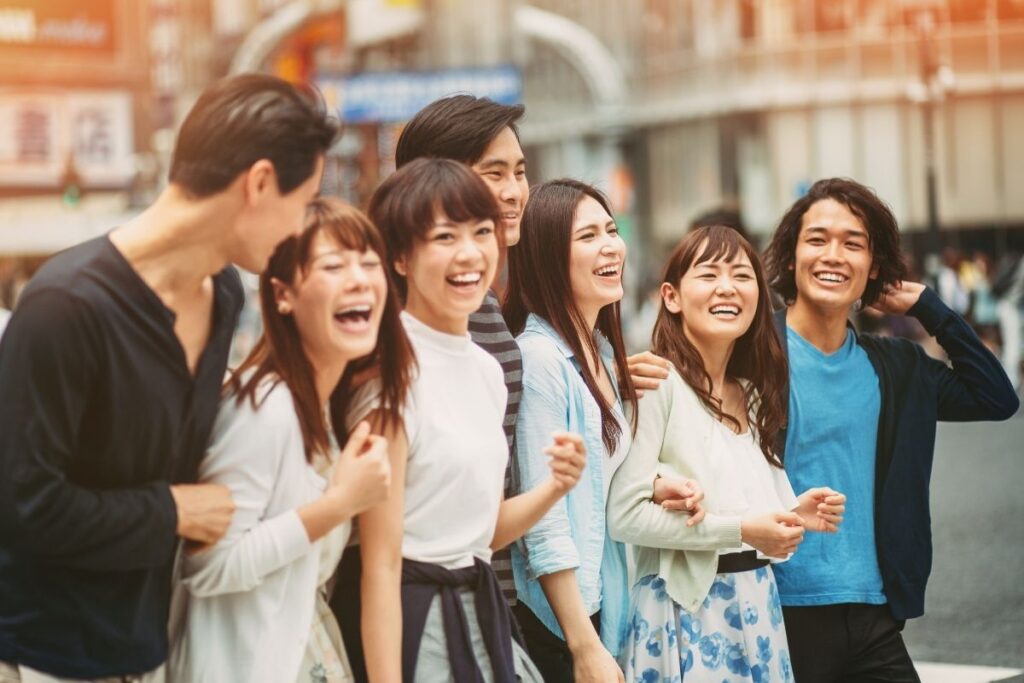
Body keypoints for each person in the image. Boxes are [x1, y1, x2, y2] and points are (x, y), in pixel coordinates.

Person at [0, 74, 338, 682]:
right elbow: (24, 505)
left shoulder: (227, 292)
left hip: (151, 646)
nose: (301, 226)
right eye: (303, 201)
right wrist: (171, 511)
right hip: (43, 655)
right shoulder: (65, 305)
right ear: (259, 183)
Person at [338, 158, 586, 682]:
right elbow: (380, 567)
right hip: (416, 619)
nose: (471, 253)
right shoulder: (388, 378)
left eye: (482, 231)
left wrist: (554, 489)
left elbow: (483, 532)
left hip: (481, 609)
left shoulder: (485, 369)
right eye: (445, 236)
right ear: (400, 258)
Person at [761, 178, 1019, 682]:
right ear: (792, 257)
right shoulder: (754, 351)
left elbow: (997, 397)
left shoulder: (897, 366)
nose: (833, 254)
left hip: (874, 612)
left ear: (873, 267)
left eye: (852, 243)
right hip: (775, 604)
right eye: (817, 239)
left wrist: (931, 309)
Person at [168, 199, 413, 682]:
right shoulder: (265, 407)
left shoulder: (317, 405)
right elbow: (208, 568)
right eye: (333, 265)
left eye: (369, 263)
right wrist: (340, 503)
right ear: (283, 295)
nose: (360, 279)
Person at [608, 225, 846, 682]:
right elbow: (625, 516)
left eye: (741, 275)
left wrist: (794, 513)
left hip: (756, 605)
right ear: (672, 296)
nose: (727, 287)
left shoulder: (753, 395)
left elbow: (748, 515)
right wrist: (742, 529)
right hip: (684, 612)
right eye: (709, 274)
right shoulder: (659, 384)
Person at [503, 179, 645, 682]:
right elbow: (545, 523)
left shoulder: (600, 352)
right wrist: (583, 646)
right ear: (546, 257)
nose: (610, 245)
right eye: (587, 236)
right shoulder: (541, 359)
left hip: (603, 603)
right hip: (559, 626)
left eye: (611, 229)